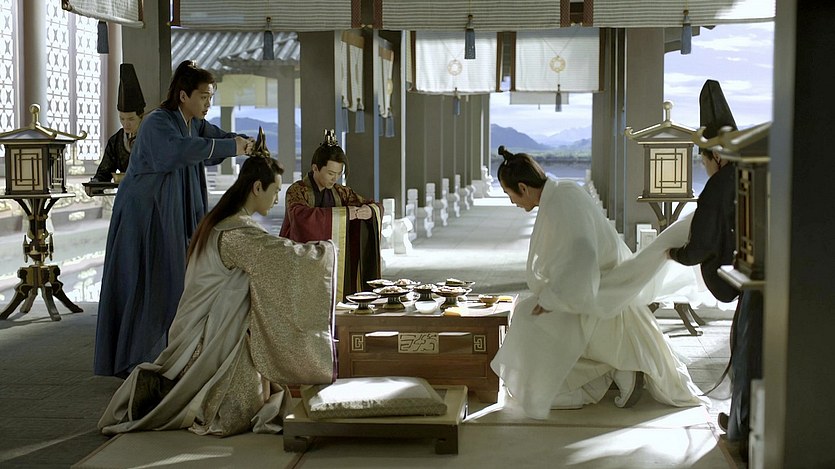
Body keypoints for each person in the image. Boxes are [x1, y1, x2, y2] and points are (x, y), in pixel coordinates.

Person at [98, 156, 337, 437]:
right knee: (241, 408)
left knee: (260, 380)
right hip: (207, 338)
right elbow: (279, 256)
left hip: (207, 327)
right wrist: (326, 252)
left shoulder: (227, 222)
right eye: (274, 190)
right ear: (257, 188)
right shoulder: (234, 232)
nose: (276, 199)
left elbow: (269, 252)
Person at [489, 145, 706, 419]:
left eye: (509, 193)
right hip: (587, 284)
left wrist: (552, 299)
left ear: (523, 187)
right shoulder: (560, 193)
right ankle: (597, 378)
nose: (512, 201)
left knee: (528, 319)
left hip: (597, 288)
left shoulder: (562, 199)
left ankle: (600, 378)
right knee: (527, 315)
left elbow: (583, 255)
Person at [94, 60, 255, 378]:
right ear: (183, 95)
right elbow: (178, 151)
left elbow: (218, 141)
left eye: (210, 97)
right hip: (147, 213)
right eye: (204, 97)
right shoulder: (157, 121)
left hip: (172, 210)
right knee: (150, 280)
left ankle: (172, 354)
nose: (208, 103)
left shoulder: (194, 123)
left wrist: (244, 143)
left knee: (176, 278)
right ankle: (138, 356)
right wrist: (229, 145)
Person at [668, 79, 760, 461]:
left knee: (747, 355)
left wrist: (675, 253)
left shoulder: (719, 185)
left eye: (703, 161)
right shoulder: (752, 172)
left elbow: (701, 245)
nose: (704, 168)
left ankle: (741, 432)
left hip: (754, 284)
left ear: (715, 157)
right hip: (774, 274)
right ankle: (746, 427)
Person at [279, 129, 382, 299]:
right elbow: (300, 217)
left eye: (339, 174)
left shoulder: (341, 192)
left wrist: (369, 212)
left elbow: (372, 204)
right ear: (315, 168)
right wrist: (344, 215)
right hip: (303, 260)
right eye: (330, 173)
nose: (335, 179)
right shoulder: (297, 191)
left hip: (335, 262)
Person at [90, 63, 145, 184]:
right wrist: (96, 182)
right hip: (126, 191)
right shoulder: (116, 141)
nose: (126, 124)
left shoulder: (152, 137)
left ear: (141, 116)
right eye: (122, 119)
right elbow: (104, 172)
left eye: (131, 119)